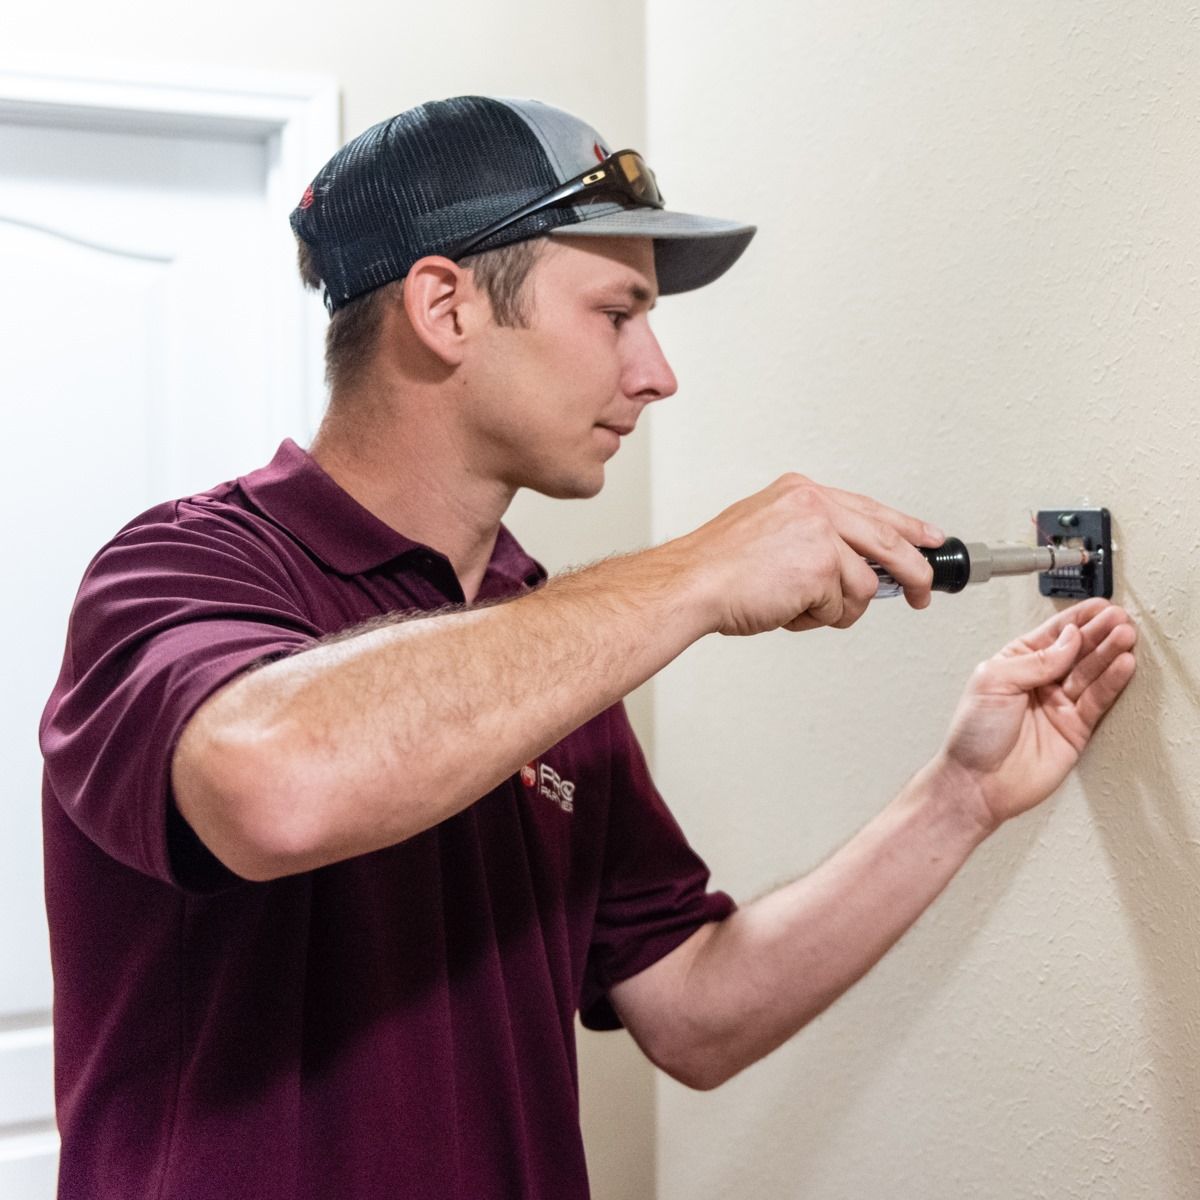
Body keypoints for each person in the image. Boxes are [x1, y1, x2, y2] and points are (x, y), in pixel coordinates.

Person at [39, 95, 1137, 1200]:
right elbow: (274, 787)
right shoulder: (179, 572)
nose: (657, 373)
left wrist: (959, 798)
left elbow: (696, 1012)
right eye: (617, 313)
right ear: (445, 307)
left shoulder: (540, 634)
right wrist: (704, 571)